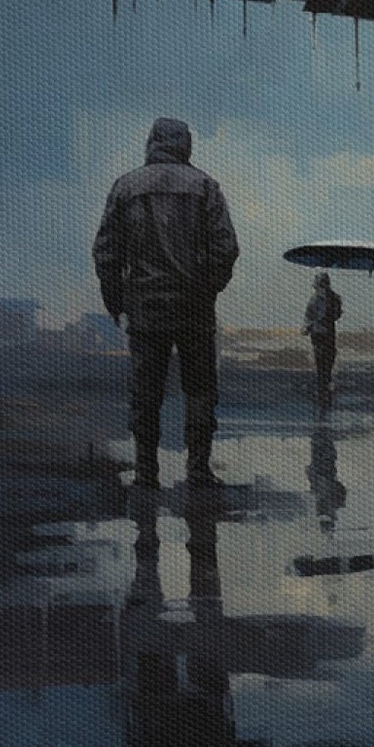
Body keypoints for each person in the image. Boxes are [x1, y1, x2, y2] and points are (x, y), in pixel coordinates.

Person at [93, 117, 239, 491]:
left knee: (145, 393)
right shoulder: (205, 186)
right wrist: (208, 290)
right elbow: (227, 249)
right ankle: (199, 471)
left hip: (145, 309)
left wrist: (116, 302)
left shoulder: (126, 187)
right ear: (186, 144)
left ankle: (146, 472)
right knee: (201, 390)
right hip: (195, 309)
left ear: (151, 142)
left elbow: (105, 252)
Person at [301, 269, 343, 409]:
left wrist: (308, 326)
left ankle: (325, 381)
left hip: (326, 331)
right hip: (319, 332)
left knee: (329, 355)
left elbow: (337, 314)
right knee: (322, 356)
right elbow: (309, 315)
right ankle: (323, 383)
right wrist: (307, 326)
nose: (319, 287)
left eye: (320, 284)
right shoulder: (316, 299)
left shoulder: (334, 298)